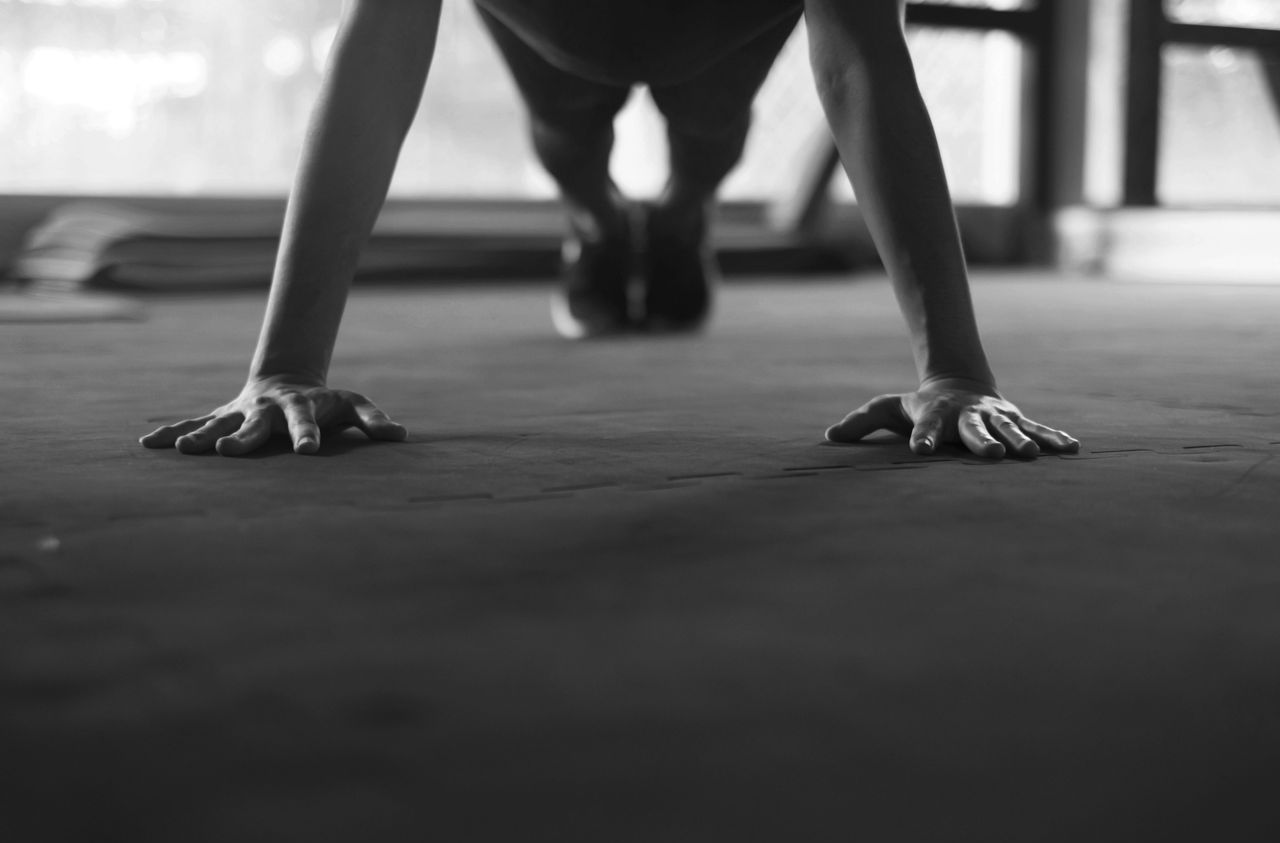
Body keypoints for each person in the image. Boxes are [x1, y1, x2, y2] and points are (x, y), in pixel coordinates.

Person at [140, 0, 1080, 460]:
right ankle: (593, 219)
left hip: (719, 20)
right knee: (569, 131)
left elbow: (861, 59)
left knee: (708, 130)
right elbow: (382, 45)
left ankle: (684, 210)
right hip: (556, 17)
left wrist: (955, 371)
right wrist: (284, 364)